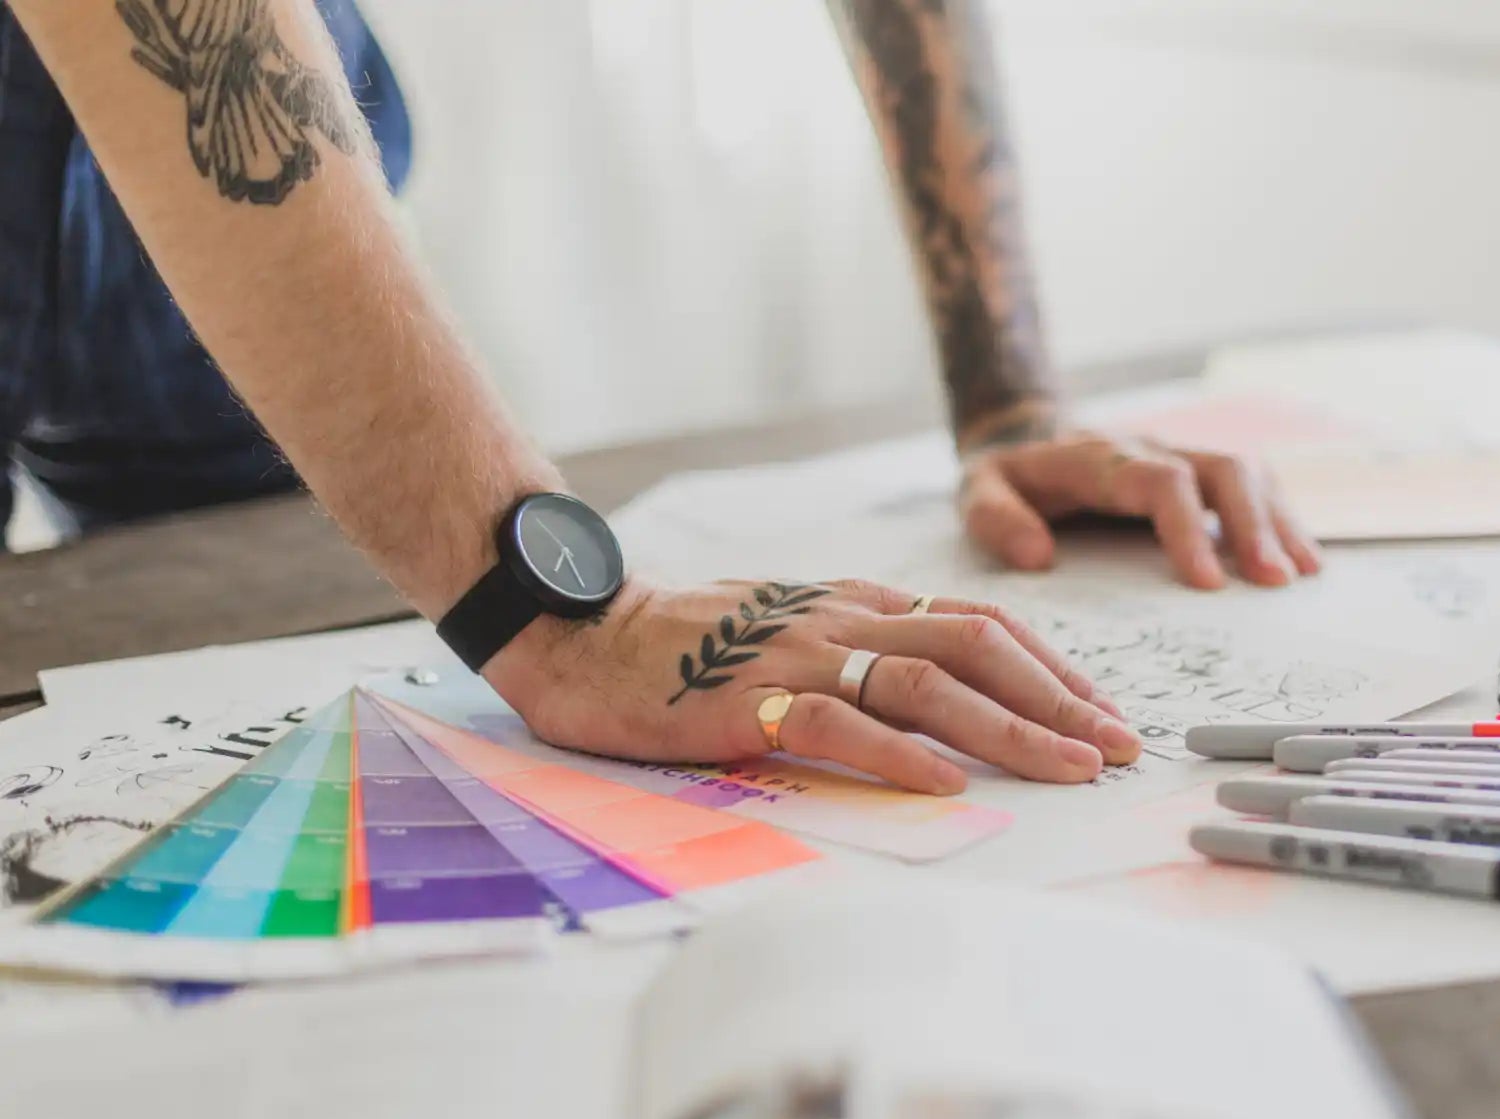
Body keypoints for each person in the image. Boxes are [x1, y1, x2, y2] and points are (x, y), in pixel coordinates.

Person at [0, 0, 1320, 793]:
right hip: (196, 63)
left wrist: (1011, 399)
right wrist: (562, 610)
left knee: (257, 732)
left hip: (242, 101)